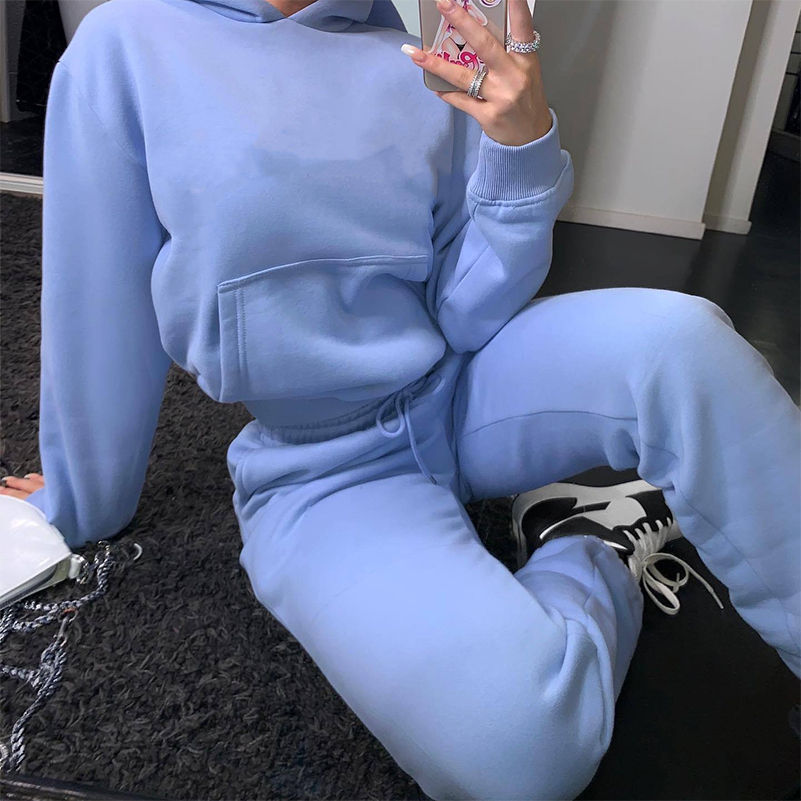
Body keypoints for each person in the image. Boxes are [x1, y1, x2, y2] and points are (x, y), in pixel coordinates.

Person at [2, 0, 799, 797]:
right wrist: (77, 502)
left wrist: (519, 149)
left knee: (681, 344)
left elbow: (464, 310)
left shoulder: (415, 62)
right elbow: (98, 303)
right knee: (521, 751)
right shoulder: (128, 48)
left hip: (463, 393)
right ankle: (589, 542)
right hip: (328, 467)